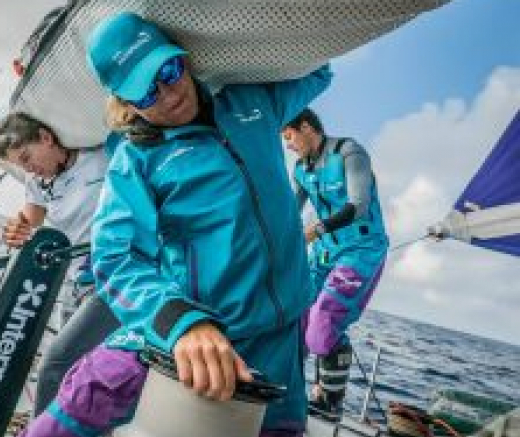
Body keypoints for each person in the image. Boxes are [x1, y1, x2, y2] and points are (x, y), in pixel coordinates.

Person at [20, 12, 332, 437]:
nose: (168, 95)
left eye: (168, 72)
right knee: (83, 399)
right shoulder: (135, 161)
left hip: (280, 338)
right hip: (186, 329)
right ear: (126, 104)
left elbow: (319, 65)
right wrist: (181, 322)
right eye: (145, 92)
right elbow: (116, 257)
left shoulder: (254, 104)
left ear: (183, 59)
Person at [0, 112, 120, 414]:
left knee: (57, 363)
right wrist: (17, 230)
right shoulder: (36, 181)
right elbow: (30, 224)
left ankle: (42, 430)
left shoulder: (101, 156)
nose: (28, 168)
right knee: (80, 371)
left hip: (111, 277)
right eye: (20, 165)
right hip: (74, 282)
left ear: (46, 138)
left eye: (27, 157)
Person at [282, 108, 389, 419]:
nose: (288, 145)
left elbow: (358, 206)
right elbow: (288, 213)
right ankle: (293, 392)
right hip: (323, 255)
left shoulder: (349, 153)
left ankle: (329, 402)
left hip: (361, 251)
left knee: (324, 318)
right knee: (295, 317)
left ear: (306, 127)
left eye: (289, 136)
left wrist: (315, 230)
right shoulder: (300, 170)